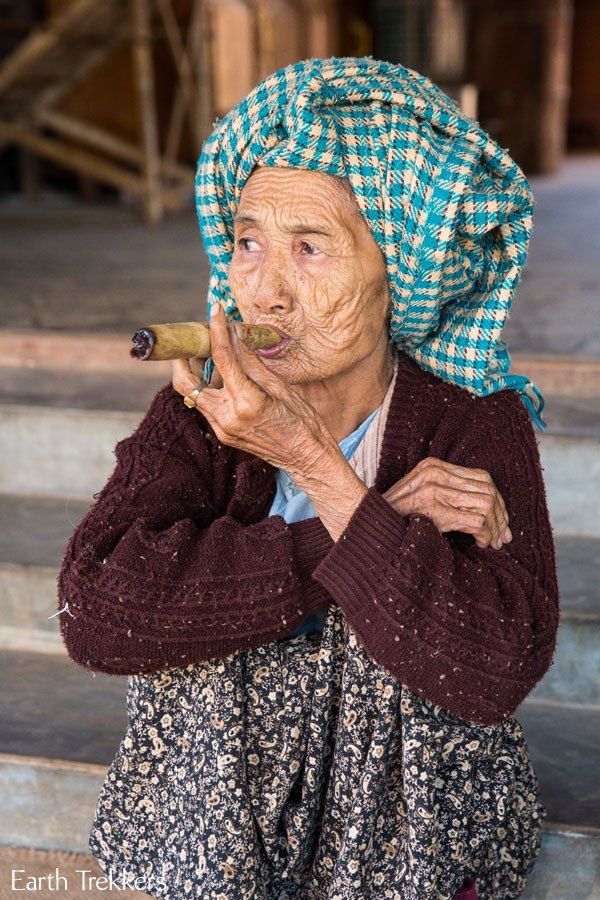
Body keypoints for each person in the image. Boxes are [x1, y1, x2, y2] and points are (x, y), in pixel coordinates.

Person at [57, 57, 559, 899]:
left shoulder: (475, 420)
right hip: (219, 830)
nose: (265, 289)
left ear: (396, 268)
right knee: (221, 623)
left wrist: (316, 467)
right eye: (248, 241)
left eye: (310, 248)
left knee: (394, 638)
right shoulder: (199, 412)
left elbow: (495, 666)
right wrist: (356, 528)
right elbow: (98, 611)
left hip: (404, 844)